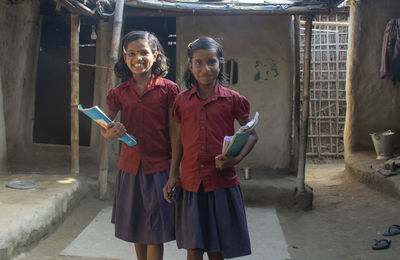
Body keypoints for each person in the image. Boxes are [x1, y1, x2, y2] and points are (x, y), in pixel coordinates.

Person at [163, 37, 258, 260]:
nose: (205, 68)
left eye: (211, 62)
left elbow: (251, 133)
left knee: (217, 248)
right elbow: (177, 141)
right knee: (193, 248)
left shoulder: (233, 100)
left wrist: (236, 159)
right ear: (190, 66)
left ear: (220, 64)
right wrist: (172, 175)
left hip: (221, 183)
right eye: (198, 62)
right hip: (191, 184)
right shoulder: (181, 101)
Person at [101, 31, 180, 260]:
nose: (138, 58)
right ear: (125, 58)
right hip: (130, 168)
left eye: (144, 52)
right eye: (131, 53)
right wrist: (110, 132)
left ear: (155, 55)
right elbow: (105, 128)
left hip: (159, 168)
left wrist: (175, 172)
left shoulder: (169, 89)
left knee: (156, 230)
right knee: (137, 225)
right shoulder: (118, 93)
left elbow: (176, 134)